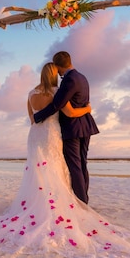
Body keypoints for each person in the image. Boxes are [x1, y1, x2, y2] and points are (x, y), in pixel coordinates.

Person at [0, 63, 130, 258]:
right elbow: (69, 113)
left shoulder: (31, 93)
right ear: (54, 76)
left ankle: (35, 203)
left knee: (36, 170)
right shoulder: (57, 93)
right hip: (51, 134)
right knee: (55, 168)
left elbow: (32, 119)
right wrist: (88, 108)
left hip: (35, 135)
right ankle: (53, 204)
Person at [34, 51, 99, 204]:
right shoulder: (82, 77)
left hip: (73, 128)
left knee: (75, 166)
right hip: (85, 126)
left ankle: (81, 202)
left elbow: (58, 104)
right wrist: (88, 109)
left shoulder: (69, 80)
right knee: (82, 164)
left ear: (57, 67)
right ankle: (84, 199)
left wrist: (38, 117)